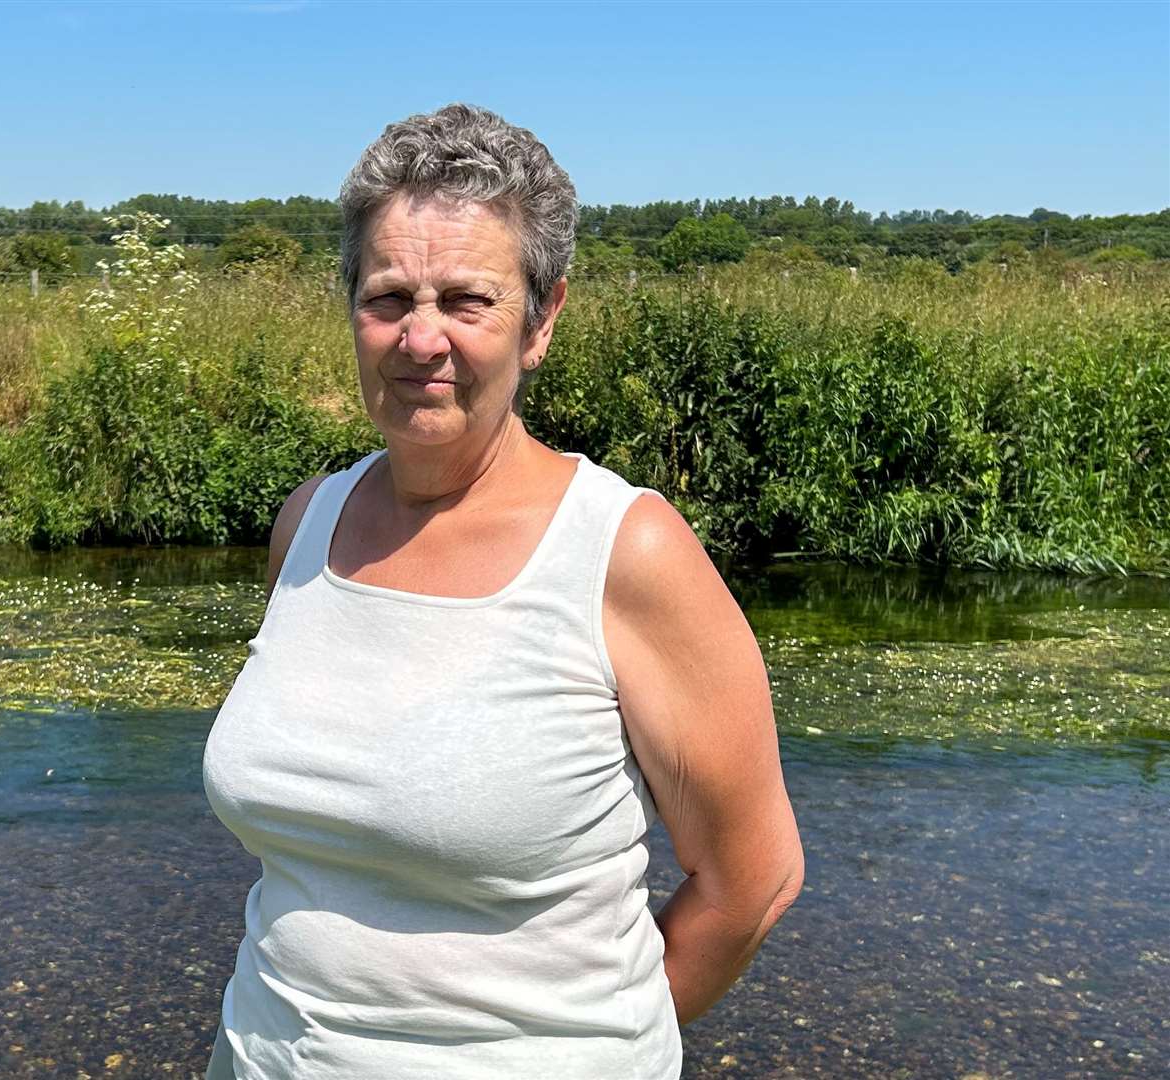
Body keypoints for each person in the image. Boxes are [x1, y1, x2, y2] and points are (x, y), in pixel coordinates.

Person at [202, 103, 804, 1079]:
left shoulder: (625, 552)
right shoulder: (305, 524)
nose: (421, 338)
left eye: (467, 300)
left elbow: (754, 880)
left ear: (542, 318)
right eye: (389, 297)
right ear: (349, 306)